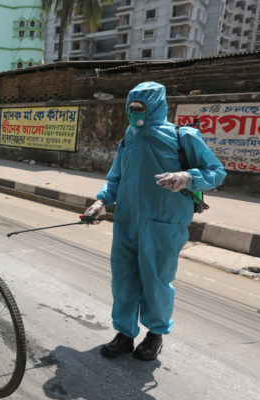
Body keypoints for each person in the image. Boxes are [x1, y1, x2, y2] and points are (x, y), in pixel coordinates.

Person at [84, 82, 226, 362]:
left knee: (157, 282)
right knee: (123, 281)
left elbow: (216, 172)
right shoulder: (129, 136)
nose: (135, 112)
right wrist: (101, 201)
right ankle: (124, 335)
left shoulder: (181, 135)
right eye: (131, 107)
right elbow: (117, 177)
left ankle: (155, 335)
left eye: (141, 107)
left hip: (164, 223)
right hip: (127, 222)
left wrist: (187, 177)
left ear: (157, 106)